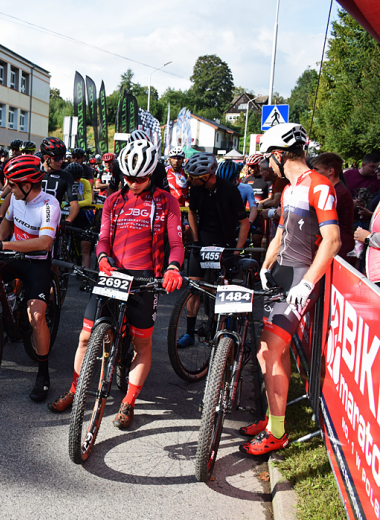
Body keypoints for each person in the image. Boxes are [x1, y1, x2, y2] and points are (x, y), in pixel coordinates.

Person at [48, 139, 184, 427]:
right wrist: (101, 260)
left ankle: (128, 401)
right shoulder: (113, 200)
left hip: (145, 278)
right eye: (129, 177)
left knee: (141, 344)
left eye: (141, 179)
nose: (134, 183)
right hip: (111, 275)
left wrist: (173, 268)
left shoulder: (166, 201)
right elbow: (103, 240)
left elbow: (176, 242)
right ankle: (75, 389)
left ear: (152, 174)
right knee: (85, 337)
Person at [240, 123, 340, 456]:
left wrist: (309, 282)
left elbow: (333, 240)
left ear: (280, 154)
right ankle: (272, 419)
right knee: (273, 353)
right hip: (283, 275)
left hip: (301, 280)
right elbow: (280, 235)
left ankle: (278, 433)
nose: (267, 165)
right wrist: (267, 268)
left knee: (268, 352)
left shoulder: (319, 185)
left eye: (269, 157)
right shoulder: (288, 189)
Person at [0, 155, 61, 402]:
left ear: (27, 186)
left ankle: (43, 374)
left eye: (12, 183)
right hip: (11, 255)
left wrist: (4, 244)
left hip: (37, 262)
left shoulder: (49, 205)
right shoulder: (14, 198)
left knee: (36, 317)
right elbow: (5, 226)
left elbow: (44, 242)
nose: (7, 187)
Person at [176, 153, 250, 348]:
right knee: (194, 288)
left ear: (206, 177)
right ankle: (189, 332)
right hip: (203, 241)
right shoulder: (196, 189)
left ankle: (224, 330)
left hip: (225, 242)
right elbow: (191, 211)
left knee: (221, 289)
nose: (189, 179)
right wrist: (196, 238)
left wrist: (236, 253)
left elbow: (244, 223)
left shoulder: (230, 191)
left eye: (193, 176)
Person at [312, 152, 354, 260]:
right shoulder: (334, 190)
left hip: (340, 250)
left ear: (330, 171)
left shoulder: (338, 192)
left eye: (317, 169)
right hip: (336, 246)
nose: (313, 172)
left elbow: (313, 215)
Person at [40, 137, 79, 224]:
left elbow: (75, 204)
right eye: (57, 159)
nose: (61, 161)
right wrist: (1, 215)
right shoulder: (34, 171)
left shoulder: (67, 176)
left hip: (52, 222)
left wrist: (68, 221)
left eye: (62, 158)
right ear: (46, 157)